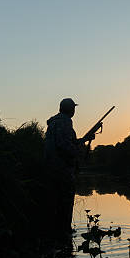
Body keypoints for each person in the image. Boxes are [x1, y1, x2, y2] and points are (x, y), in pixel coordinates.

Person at [45, 98, 96, 234]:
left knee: (55, 203)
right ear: (70, 109)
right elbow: (66, 146)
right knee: (65, 204)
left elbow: (68, 142)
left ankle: (56, 233)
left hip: (51, 170)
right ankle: (64, 232)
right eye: (73, 108)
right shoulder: (65, 122)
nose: (74, 110)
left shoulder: (54, 123)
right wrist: (79, 151)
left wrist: (84, 140)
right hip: (63, 171)